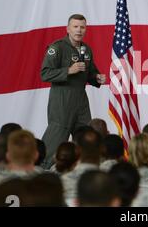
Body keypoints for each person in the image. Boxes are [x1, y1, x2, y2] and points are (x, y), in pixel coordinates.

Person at [40, 14, 106, 169]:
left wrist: (97, 77)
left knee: (87, 138)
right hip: (62, 98)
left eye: (82, 27)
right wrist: (68, 70)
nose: (79, 30)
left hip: (81, 99)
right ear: (68, 29)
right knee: (56, 138)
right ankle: (41, 171)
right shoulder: (57, 47)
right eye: (75, 27)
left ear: (86, 29)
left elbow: (90, 74)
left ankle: (86, 170)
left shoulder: (86, 49)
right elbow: (45, 74)